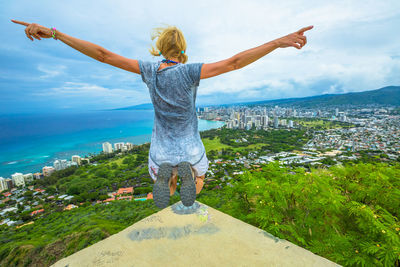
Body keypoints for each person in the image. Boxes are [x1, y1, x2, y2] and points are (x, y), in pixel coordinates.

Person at [11, 19, 313, 209]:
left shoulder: (149, 70)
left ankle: (167, 199)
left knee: (164, 179)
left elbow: (103, 55)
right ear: (183, 52)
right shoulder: (191, 71)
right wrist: (277, 42)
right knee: (198, 176)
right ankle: (188, 196)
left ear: (159, 49)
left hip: (161, 146)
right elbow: (234, 62)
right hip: (190, 145)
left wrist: (55, 33)